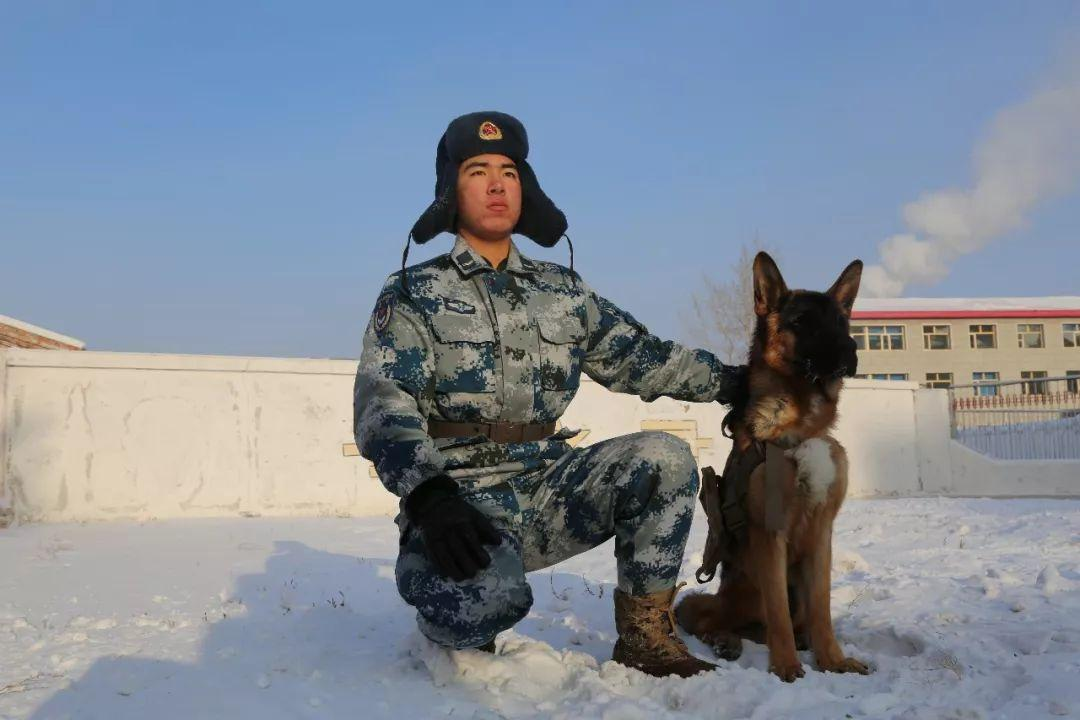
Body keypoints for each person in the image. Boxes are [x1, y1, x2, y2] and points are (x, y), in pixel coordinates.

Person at [354, 111, 746, 678]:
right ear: (451, 190)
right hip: (458, 505)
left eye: (509, 172)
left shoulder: (562, 292)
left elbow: (643, 357)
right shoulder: (415, 293)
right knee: (479, 606)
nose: (496, 185)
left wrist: (739, 381)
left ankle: (644, 637)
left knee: (662, 456)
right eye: (477, 171)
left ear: (525, 187)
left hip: (548, 487)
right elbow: (383, 404)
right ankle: (444, 590)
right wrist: (428, 498)